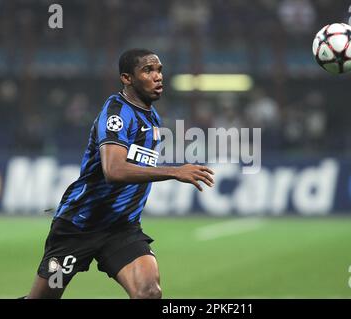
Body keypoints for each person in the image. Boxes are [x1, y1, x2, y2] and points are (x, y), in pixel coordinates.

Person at [25, 49, 215, 299]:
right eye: (148, 70)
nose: (158, 76)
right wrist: (175, 172)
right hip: (80, 225)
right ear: (127, 78)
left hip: (122, 229)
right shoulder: (116, 114)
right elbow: (113, 171)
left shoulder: (152, 116)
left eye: (159, 70)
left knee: (149, 292)